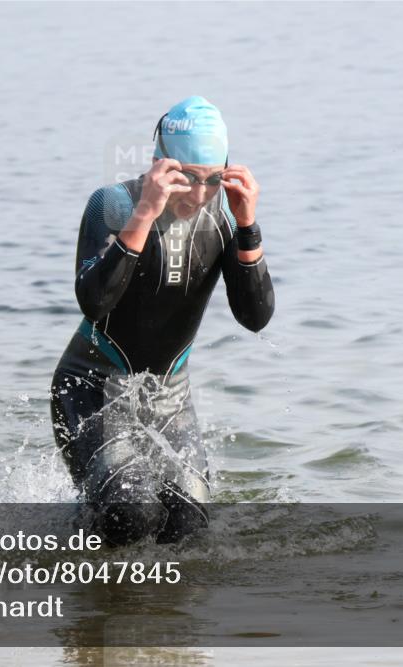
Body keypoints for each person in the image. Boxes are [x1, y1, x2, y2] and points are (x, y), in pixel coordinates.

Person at [49, 96, 275, 546]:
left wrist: (248, 224)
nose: (199, 193)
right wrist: (145, 214)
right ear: (159, 164)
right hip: (91, 387)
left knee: (188, 524)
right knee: (130, 513)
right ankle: (79, 563)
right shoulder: (113, 205)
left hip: (170, 399)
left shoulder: (222, 221)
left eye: (213, 179)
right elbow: (94, 302)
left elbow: (255, 317)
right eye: (187, 177)